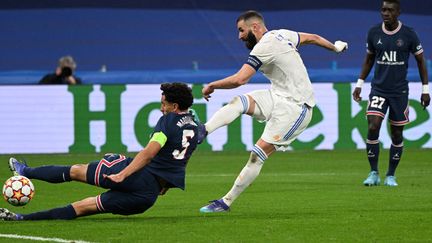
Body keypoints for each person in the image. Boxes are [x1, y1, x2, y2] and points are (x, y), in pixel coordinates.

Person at [198, 10, 348, 213]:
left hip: (296, 108)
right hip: (277, 96)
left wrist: (212, 85)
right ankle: (203, 131)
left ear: (255, 27)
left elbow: (240, 79)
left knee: (256, 155)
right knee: (239, 102)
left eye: (241, 30)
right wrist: (335, 48)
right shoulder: (283, 34)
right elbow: (313, 38)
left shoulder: (264, 46)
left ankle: (226, 202)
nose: (239, 36)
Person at [0, 82, 199, 220]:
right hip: (147, 196)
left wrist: (122, 174)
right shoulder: (194, 125)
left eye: (163, 104)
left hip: (137, 175)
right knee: (82, 208)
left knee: (76, 171)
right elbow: (182, 158)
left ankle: (25, 172)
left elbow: (148, 153)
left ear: (174, 106)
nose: (161, 109)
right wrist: (165, 184)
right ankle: (20, 217)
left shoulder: (167, 121)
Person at [352, 0, 430, 187]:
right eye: (383, 10)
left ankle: (391, 175)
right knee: (373, 126)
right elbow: (369, 59)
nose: (385, 13)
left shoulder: (409, 34)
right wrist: (359, 84)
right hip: (378, 89)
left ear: (398, 12)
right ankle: (373, 173)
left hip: (399, 92)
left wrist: (425, 90)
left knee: (396, 134)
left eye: (390, 10)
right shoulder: (374, 33)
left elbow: (421, 61)